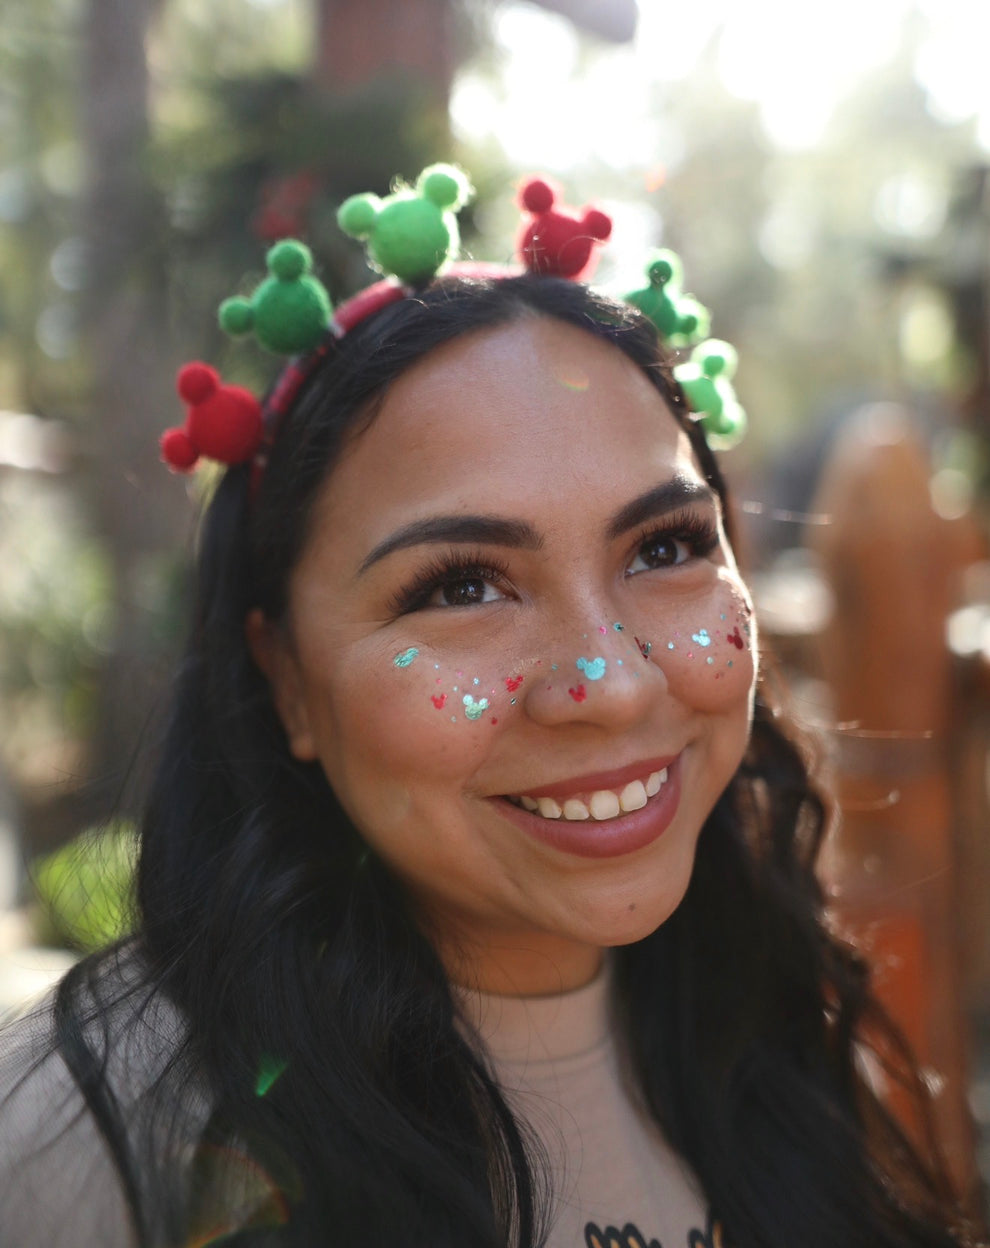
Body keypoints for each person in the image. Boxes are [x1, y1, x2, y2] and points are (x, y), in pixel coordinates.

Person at [0, 167, 980, 1248]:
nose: (613, 686)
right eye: (462, 585)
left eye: (665, 547)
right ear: (286, 680)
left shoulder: (791, 1031)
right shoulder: (81, 1144)